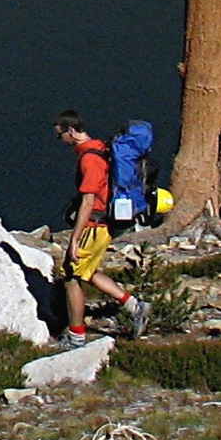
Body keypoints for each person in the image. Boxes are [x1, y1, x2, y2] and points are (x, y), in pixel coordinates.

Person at [56, 110, 149, 343]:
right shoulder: (101, 148)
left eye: (60, 135)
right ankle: (134, 306)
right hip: (104, 222)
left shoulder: (89, 158)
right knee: (89, 271)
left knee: (71, 276)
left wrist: (75, 238)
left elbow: (88, 201)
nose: (60, 140)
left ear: (71, 131)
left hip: (94, 225)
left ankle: (76, 336)